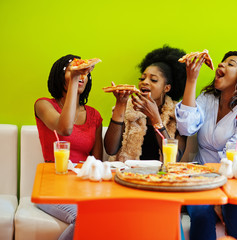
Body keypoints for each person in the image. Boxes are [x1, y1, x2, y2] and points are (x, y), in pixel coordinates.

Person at [176, 51, 237, 240]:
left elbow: (235, 153)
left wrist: (220, 197)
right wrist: (191, 80)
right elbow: (186, 127)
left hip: (235, 179)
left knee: (236, 209)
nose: (221, 65)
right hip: (202, 179)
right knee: (200, 212)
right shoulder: (207, 98)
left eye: (230, 64)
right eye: (221, 62)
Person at [34, 54, 103, 240]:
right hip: (52, 187)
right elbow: (65, 128)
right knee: (84, 216)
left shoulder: (94, 115)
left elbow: (97, 162)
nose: (81, 76)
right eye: (72, 71)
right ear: (60, 75)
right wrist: (73, 80)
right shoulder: (43, 105)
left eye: (84, 73)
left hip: (82, 187)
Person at [104, 45, 187, 162]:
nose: (145, 82)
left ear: (166, 88)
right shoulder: (128, 108)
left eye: (153, 80)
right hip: (127, 174)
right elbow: (110, 150)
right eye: (142, 78)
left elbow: (174, 158)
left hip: (160, 177)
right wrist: (120, 105)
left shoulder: (178, 115)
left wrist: (155, 119)